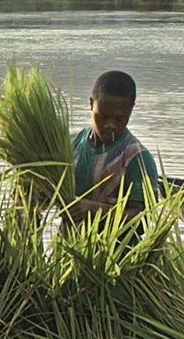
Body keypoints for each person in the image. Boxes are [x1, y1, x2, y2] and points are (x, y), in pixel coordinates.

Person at [66, 69, 162, 224]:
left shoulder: (137, 158)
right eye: (102, 116)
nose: (110, 125)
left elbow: (143, 220)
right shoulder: (71, 144)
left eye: (120, 119)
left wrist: (94, 211)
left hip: (121, 247)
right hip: (69, 244)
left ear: (131, 110)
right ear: (91, 104)